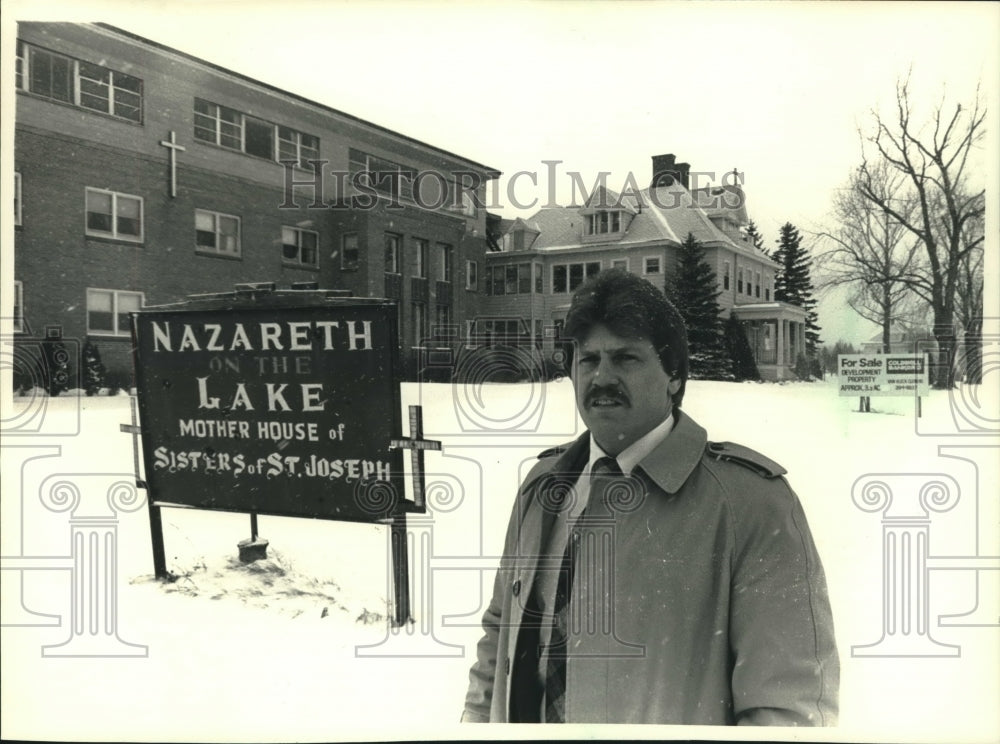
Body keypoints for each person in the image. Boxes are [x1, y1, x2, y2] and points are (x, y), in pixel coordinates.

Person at [462, 269, 839, 725]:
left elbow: (787, 708)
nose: (602, 376)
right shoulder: (542, 487)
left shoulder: (751, 504)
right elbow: (499, 636)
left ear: (674, 377)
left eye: (626, 359)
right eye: (588, 360)